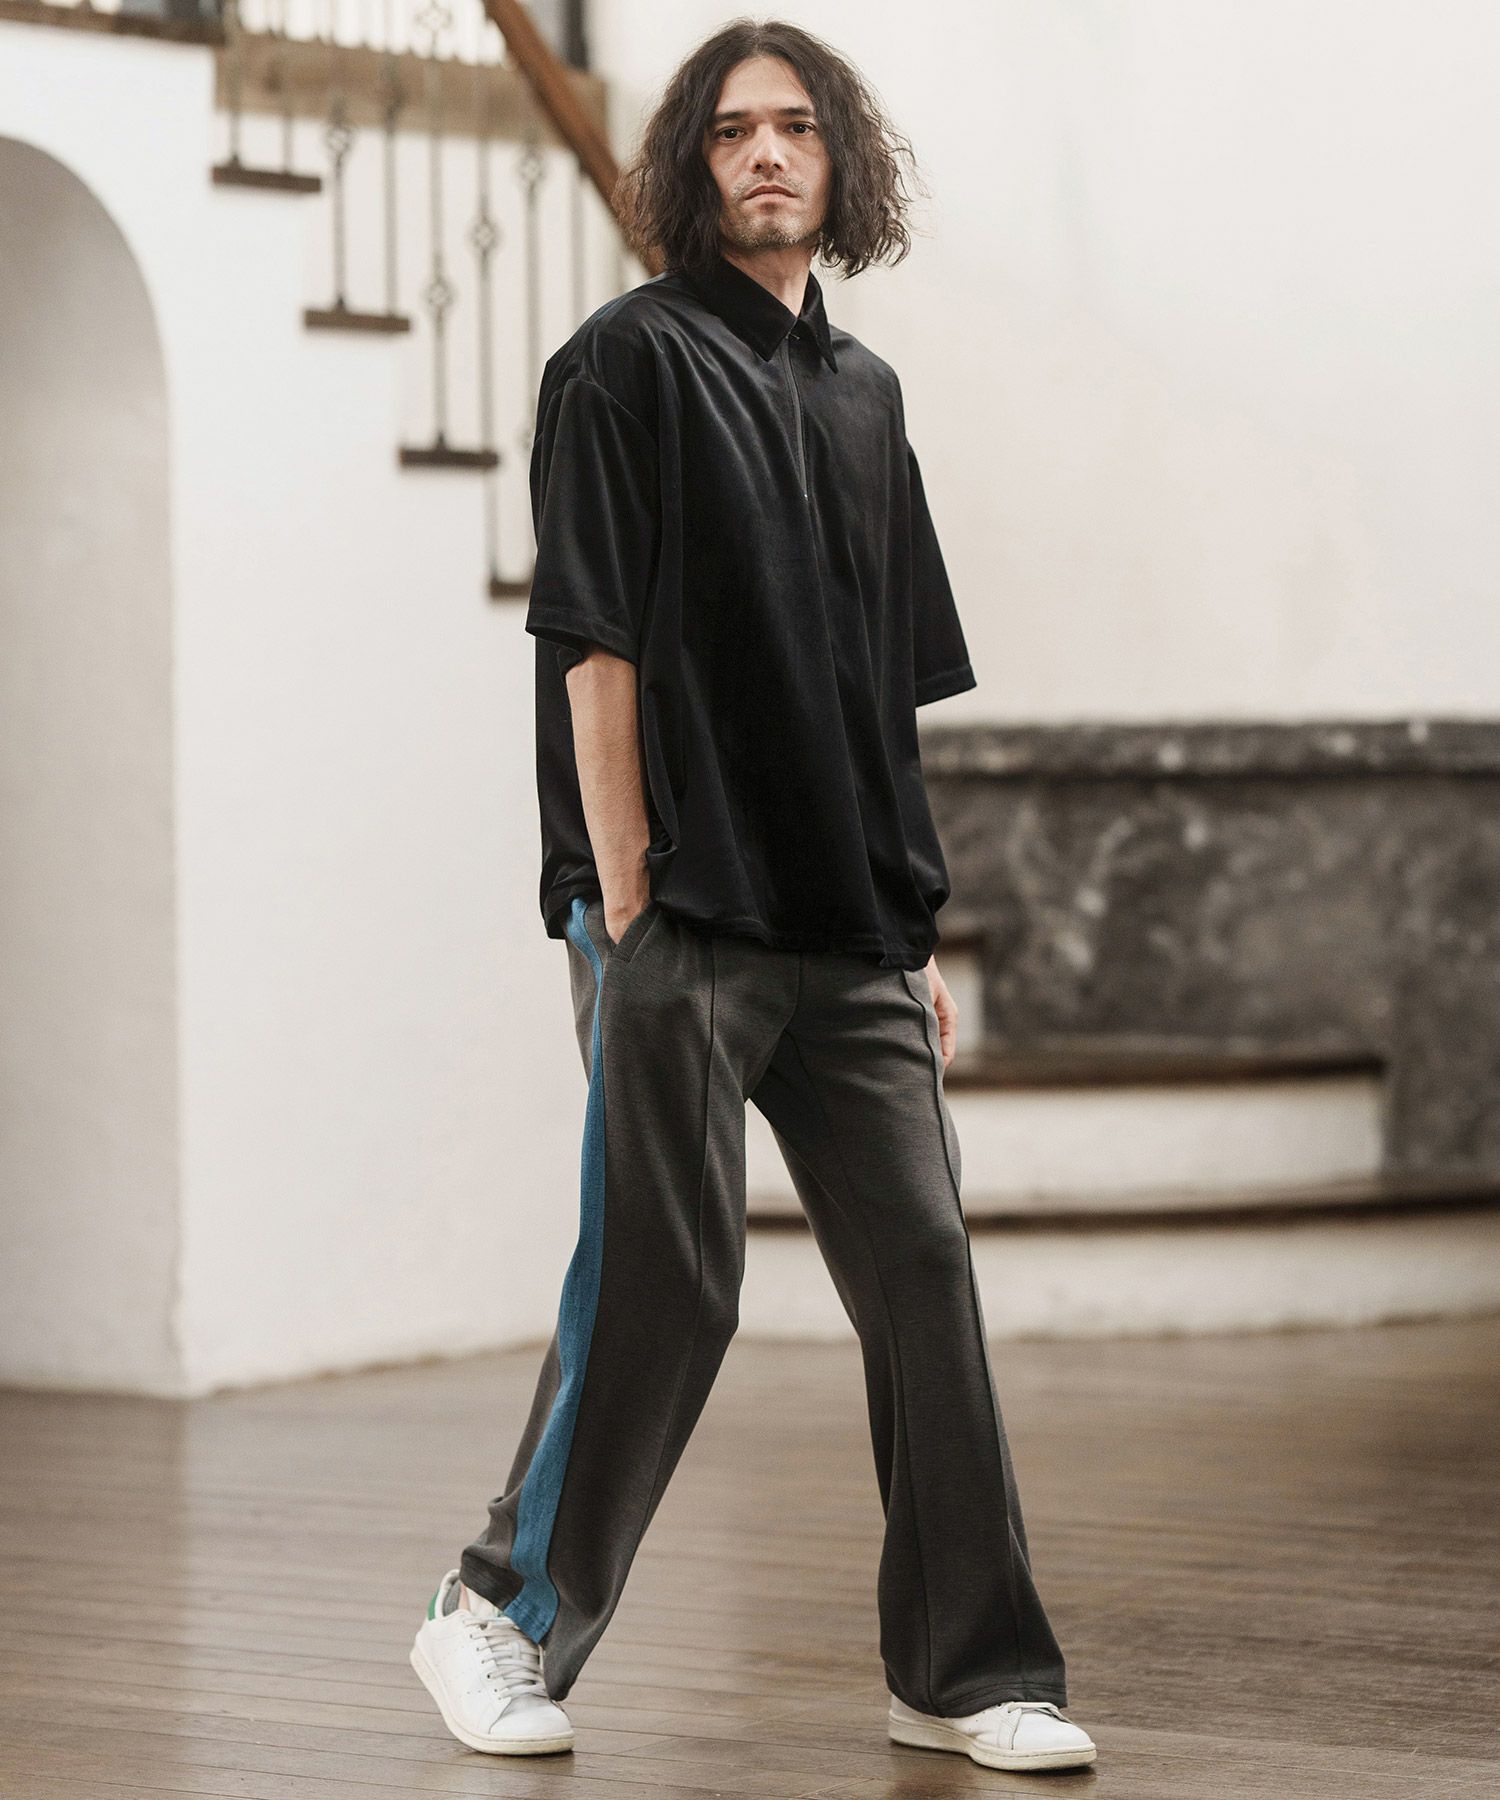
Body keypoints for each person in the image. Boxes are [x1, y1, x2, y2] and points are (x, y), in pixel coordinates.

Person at [409, 18, 1097, 1778]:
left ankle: (963, 1670)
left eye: (796, 128)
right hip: (682, 915)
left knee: (924, 1270)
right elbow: (593, 650)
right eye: (733, 132)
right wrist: (628, 892)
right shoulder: (618, 368)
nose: (769, 155)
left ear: (838, 162)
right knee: (671, 1277)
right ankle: (495, 1613)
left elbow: (879, 691)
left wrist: (910, 927)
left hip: (848, 928)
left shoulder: (866, 398)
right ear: (690, 167)